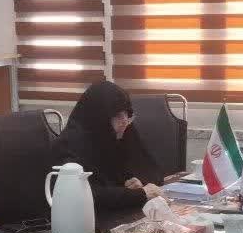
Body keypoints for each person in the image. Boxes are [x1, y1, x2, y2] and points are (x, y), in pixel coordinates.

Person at [53, 81, 166, 210]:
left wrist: (136, 182)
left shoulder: (118, 135)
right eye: (117, 116)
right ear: (98, 117)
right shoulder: (69, 145)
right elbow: (84, 194)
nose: (125, 122)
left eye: (127, 115)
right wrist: (139, 194)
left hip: (115, 213)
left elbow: (151, 171)